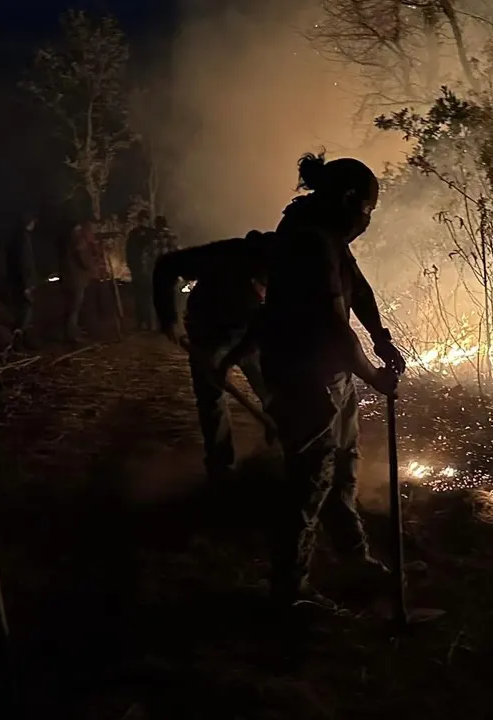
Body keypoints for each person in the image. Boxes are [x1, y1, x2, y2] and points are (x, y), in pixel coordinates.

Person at [239, 152, 406, 614]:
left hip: (329, 375)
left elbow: (359, 288)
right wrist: (375, 376)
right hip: (301, 374)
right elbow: (334, 330)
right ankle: (290, 592)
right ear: (349, 199)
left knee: (342, 469)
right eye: (368, 210)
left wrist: (382, 338)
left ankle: (354, 559)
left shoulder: (327, 232)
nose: (367, 221)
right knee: (311, 479)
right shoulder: (309, 241)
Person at [153, 230, 276, 483]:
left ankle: (280, 452)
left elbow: (271, 319)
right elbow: (166, 265)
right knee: (212, 399)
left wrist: (236, 357)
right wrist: (168, 318)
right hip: (209, 332)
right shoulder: (224, 254)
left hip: (251, 332)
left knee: (273, 392)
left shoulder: (283, 267)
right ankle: (222, 471)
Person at [5, 212, 39, 345]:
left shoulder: (17, 238)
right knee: (26, 308)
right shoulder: (22, 240)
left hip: (17, 281)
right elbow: (24, 263)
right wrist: (27, 285)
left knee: (22, 308)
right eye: (33, 222)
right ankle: (17, 338)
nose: (34, 224)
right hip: (22, 282)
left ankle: (20, 337)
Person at [62, 217, 96, 342]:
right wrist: (92, 265)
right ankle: (72, 335)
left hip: (69, 278)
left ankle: (69, 332)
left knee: (70, 307)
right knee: (75, 308)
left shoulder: (68, 241)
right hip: (78, 279)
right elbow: (84, 261)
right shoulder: (79, 241)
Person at [125, 210, 157, 330]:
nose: (144, 221)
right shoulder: (134, 234)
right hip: (139, 271)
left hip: (150, 270)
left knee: (149, 297)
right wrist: (133, 267)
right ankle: (141, 322)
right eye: (142, 219)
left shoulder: (152, 234)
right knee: (140, 297)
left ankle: (150, 323)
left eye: (146, 219)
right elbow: (129, 252)